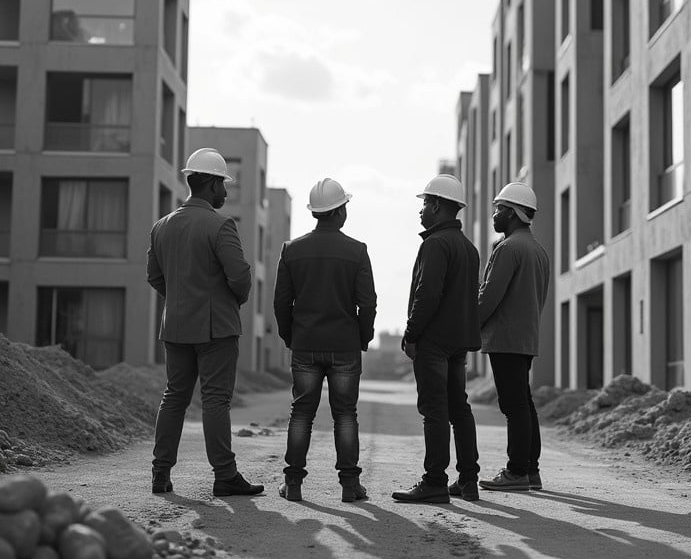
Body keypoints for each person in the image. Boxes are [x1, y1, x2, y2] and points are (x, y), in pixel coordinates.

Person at [147, 147, 263, 498]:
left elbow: (154, 277)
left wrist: (180, 298)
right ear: (210, 184)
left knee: (174, 397)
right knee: (215, 400)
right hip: (216, 328)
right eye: (223, 185)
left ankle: (160, 473)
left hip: (177, 326)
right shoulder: (220, 225)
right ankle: (224, 476)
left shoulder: (161, 226)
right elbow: (240, 277)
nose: (226, 192)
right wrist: (229, 301)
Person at [274, 178, 377, 503]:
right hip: (344, 344)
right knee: (345, 414)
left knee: (301, 413)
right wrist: (362, 337)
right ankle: (349, 485)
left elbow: (281, 303)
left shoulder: (293, 250)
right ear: (338, 211)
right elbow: (368, 303)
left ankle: (293, 484)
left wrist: (291, 336)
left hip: (305, 342)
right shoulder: (356, 251)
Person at [392, 175, 482, 504]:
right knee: (459, 408)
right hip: (459, 342)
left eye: (426, 203)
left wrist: (412, 333)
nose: (422, 210)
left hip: (434, 341)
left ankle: (434, 481)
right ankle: (469, 480)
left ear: (439, 206)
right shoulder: (468, 248)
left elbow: (427, 294)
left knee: (434, 410)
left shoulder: (435, 244)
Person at [477, 182, 550, 493]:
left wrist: (468, 326)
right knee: (524, 403)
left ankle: (516, 471)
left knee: (513, 405)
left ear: (513, 214)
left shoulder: (507, 249)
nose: (494, 215)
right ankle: (530, 470)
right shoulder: (538, 250)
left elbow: (489, 297)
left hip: (505, 337)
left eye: (499, 210)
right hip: (525, 337)